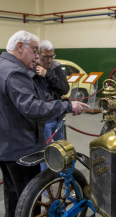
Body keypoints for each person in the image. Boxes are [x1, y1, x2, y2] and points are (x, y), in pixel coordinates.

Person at [0, 30, 89, 217]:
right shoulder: (15, 73)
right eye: (33, 51)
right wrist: (68, 105)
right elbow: (31, 107)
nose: (36, 56)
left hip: (1, 143)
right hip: (20, 144)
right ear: (20, 47)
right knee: (29, 194)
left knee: (12, 191)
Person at [35, 40, 70, 170]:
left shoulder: (55, 67)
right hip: (44, 118)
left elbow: (65, 89)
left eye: (52, 56)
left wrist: (49, 75)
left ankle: (61, 173)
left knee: (61, 147)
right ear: (38, 55)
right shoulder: (33, 68)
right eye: (46, 56)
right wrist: (55, 95)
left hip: (59, 115)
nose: (49, 60)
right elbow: (40, 97)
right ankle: (45, 184)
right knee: (45, 150)